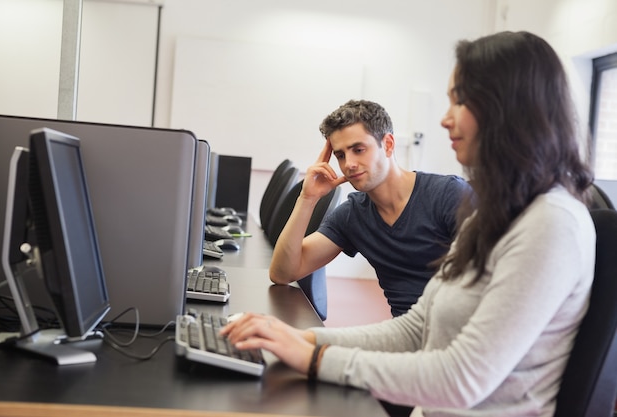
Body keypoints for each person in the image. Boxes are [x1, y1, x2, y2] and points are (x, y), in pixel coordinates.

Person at [223, 31, 596, 416]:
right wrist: (301, 339)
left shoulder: (551, 224)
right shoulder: (493, 214)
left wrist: (315, 359)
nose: (444, 118)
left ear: (510, 107)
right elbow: (416, 328)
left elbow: (461, 378)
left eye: (460, 101)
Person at [269, 99, 471, 317]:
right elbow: (283, 273)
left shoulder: (449, 195)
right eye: (340, 155)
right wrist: (307, 198)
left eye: (358, 149)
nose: (349, 164)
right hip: (404, 334)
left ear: (389, 144)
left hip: (458, 336)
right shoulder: (353, 214)